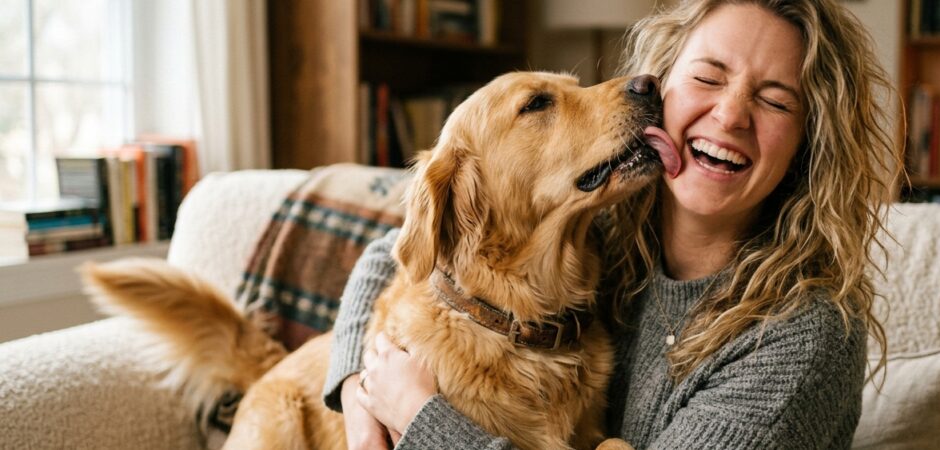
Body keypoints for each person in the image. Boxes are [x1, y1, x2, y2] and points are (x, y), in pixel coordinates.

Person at [322, 0, 900, 448]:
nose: (729, 115)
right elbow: (394, 254)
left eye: (775, 101)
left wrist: (425, 422)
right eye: (707, 76)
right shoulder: (607, 224)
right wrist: (358, 390)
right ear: (664, 85)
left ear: (809, 143)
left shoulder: (801, 340)